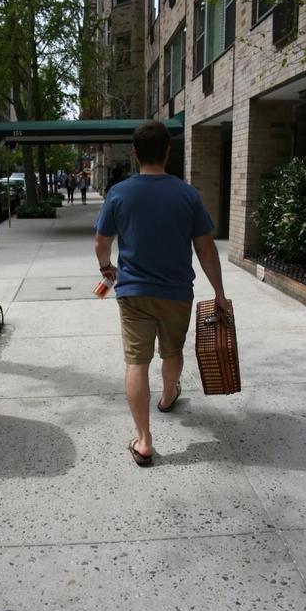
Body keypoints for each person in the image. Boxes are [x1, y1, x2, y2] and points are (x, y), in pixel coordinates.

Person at [95, 120, 229, 467]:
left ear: (135, 153)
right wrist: (219, 292)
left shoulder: (119, 193)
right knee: (172, 350)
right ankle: (169, 395)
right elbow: (206, 249)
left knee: (137, 362)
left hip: (133, 294)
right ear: (168, 153)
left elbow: (101, 242)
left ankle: (143, 440)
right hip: (177, 293)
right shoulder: (187, 194)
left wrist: (105, 268)